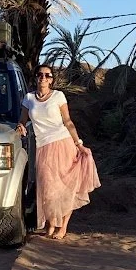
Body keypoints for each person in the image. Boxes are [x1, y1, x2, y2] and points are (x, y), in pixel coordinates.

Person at [17, 65, 100, 240]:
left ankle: (62, 227)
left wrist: (79, 144)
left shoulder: (58, 96)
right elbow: (22, 120)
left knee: (63, 187)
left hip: (62, 143)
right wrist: (20, 126)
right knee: (47, 188)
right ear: (36, 77)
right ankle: (51, 224)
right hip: (43, 147)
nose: (43, 78)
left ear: (52, 79)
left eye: (47, 75)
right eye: (40, 74)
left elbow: (68, 121)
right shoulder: (29, 98)